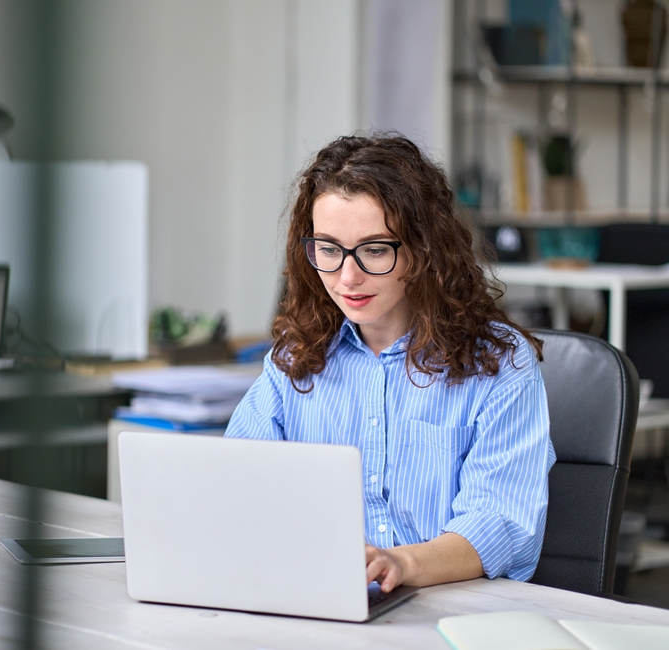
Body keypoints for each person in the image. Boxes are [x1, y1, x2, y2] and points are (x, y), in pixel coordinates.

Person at [225, 134, 554, 593]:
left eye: (375, 250)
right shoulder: (294, 356)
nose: (347, 276)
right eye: (328, 248)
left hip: (452, 611)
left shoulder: (499, 364)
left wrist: (397, 563)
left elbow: (500, 525)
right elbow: (236, 487)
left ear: (423, 250)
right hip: (321, 603)